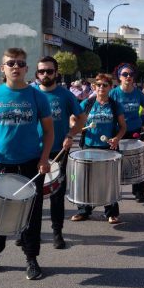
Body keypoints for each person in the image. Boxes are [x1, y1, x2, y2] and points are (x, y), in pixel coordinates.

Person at [0, 48, 53, 280]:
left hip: (30, 164)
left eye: (20, 63)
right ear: (2, 68)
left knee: (31, 214)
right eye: (11, 63)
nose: (16, 67)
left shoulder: (37, 96)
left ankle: (31, 257)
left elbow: (49, 131)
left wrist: (44, 159)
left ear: (27, 69)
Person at [33, 56, 86, 249]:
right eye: (42, 71)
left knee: (56, 195)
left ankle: (57, 232)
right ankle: (31, 233)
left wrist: (70, 134)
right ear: (37, 74)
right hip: (33, 152)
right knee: (33, 195)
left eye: (49, 71)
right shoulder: (30, 93)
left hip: (58, 151)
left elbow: (81, 118)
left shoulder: (65, 95)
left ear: (56, 73)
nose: (45, 74)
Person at [72, 73, 127, 223]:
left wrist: (117, 138)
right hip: (88, 146)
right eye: (98, 85)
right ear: (94, 86)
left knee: (109, 181)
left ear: (110, 87)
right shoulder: (87, 103)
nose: (101, 87)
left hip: (108, 148)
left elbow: (123, 127)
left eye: (105, 85)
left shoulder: (115, 105)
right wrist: (74, 124)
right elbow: (73, 118)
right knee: (86, 180)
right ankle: (84, 211)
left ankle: (111, 212)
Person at [109, 63, 144, 203]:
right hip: (118, 132)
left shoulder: (138, 93)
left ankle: (139, 192)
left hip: (134, 131)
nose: (128, 77)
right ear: (119, 77)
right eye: (125, 74)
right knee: (115, 161)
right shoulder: (113, 93)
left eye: (131, 74)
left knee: (137, 161)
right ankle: (114, 191)